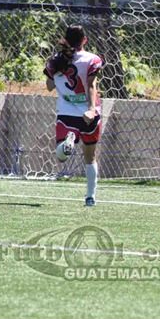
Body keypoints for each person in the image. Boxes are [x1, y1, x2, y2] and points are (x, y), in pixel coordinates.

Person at [44, 25, 104, 207]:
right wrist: (92, 109)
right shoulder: (92, 59)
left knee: (62, 157)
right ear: (84, 40)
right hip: (88, 112)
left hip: (66, 112)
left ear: (66, 40)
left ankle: (69, 141)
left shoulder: (55, 60)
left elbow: (49, 86)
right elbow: (91, 84)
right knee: (90, 156)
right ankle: (90, 197)